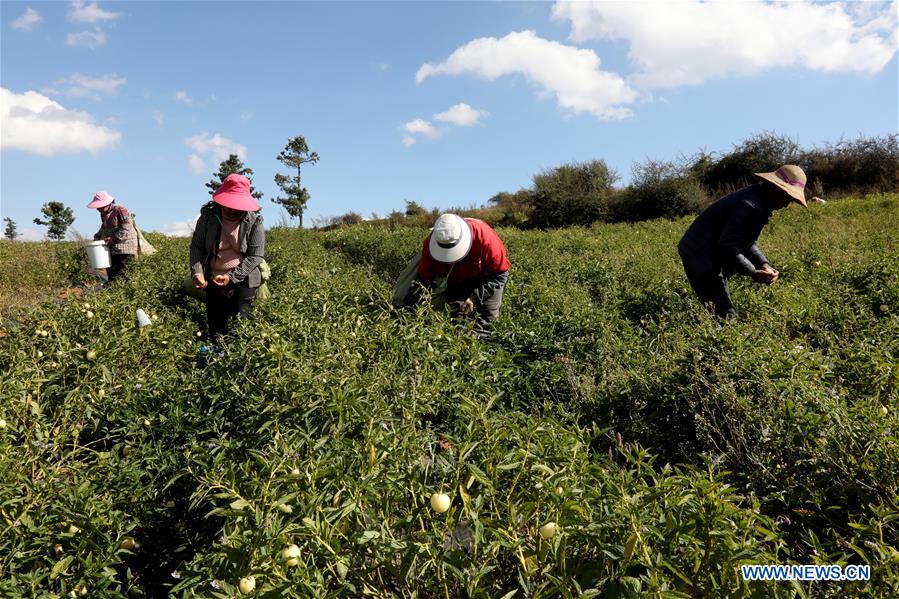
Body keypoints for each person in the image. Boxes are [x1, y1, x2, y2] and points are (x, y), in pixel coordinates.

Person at [678, 164, 808, 319]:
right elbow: (727, 245)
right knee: (725, 314)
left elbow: (747, 243)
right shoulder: (749, 206)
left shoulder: (758, 201)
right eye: (786, 197)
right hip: (699, 254)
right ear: (774, 189)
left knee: (719, 298)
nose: (786, 204)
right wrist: (752, 272)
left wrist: (763, 264)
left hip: (710, 252)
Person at [189, 174, 265, 339]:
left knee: (243, 324)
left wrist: (231, 277)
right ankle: (218, 352)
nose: (233, 209)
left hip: (244, 279)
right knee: (216, 327)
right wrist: (197, 272)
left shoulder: (254, 222)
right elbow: (197, 247)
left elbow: (256, 256)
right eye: (230, 205)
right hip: (214, 278)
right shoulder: (208, 217)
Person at [402, 213, 510, 321]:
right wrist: (407, 309)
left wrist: (474, 297)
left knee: (487, 320)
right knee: (455, 318)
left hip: (487, 279)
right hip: (456, 281)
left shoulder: (485, 237)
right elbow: (424, 279)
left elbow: (500, 275)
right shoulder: (430, 244)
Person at [87, 191, 137, 282]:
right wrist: (97, 237)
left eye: (100, 206)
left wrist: (113, 238)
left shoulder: (120, 209)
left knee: (124, 274)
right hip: (112, 248)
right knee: (112, 275)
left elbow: (127, 226)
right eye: (97, 207)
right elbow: (104, 227)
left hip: (125, 248)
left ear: (107, 204)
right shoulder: (103, 214)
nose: (98, 209)